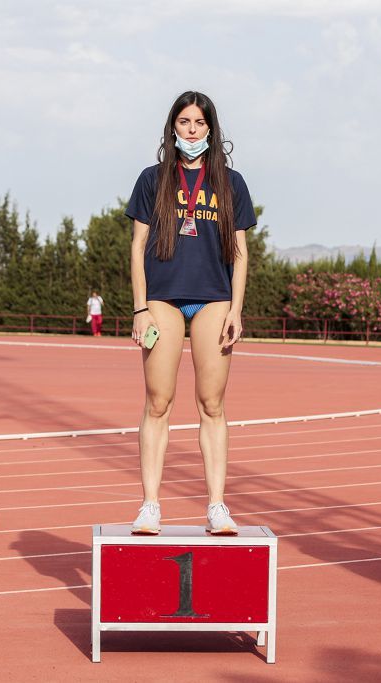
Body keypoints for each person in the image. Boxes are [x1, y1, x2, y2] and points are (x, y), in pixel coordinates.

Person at [125, 91, 256, 536]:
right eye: (184, 122)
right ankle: (149, 506)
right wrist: (141, 308)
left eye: (200, 122)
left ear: (211, 129)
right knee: (158, 402)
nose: (192, 130)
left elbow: (240, 252)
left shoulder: (231, 183)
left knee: (211, 404)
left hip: (214, 300)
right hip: (162, 299)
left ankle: (217, 505)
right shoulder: (152, 179)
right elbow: (138, 246)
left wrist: (236, 309)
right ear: (173, 127)